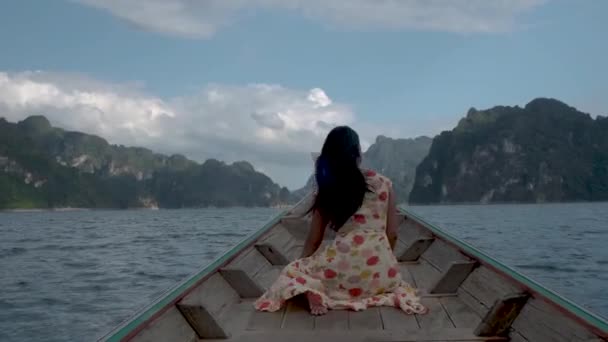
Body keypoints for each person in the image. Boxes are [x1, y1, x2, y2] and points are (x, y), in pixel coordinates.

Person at [254, 126, 426, 316]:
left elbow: (314, 240)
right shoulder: (384, 183)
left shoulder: (330, 186)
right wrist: (387, 260)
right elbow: (392, 233)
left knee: (293, 270)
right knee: (376, 273)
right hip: (383, 275)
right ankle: (359, 283)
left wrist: (302, 267)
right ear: (358, 153)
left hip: (344, 264)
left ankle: (313, 290)